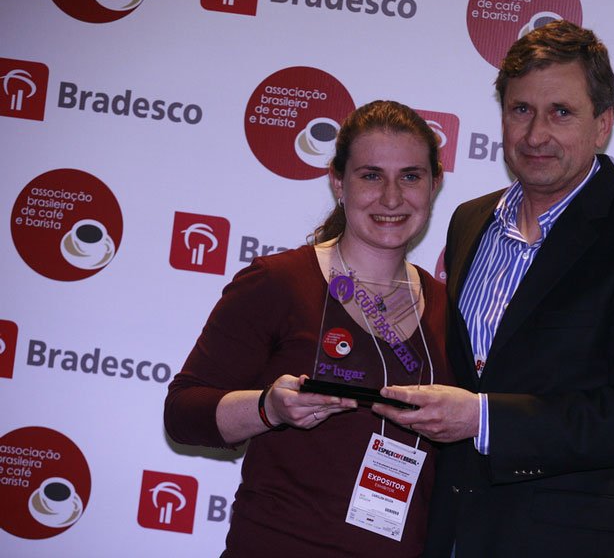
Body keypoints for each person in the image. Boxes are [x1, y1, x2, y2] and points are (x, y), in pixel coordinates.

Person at [373, 21, 614, 557]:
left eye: (561, 112)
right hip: (454, 533)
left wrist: (484, 418)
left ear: (603, 124)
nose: (535, 135)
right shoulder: (469, 220)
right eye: (521, 109)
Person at [164, 100, 450, 557]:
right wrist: (269, 408)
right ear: (338, 182)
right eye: (371, 175)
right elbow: (182, 412)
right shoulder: (278, 282)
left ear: (434, 183)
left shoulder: (448, 309)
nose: (392, 197)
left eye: (411, 176)